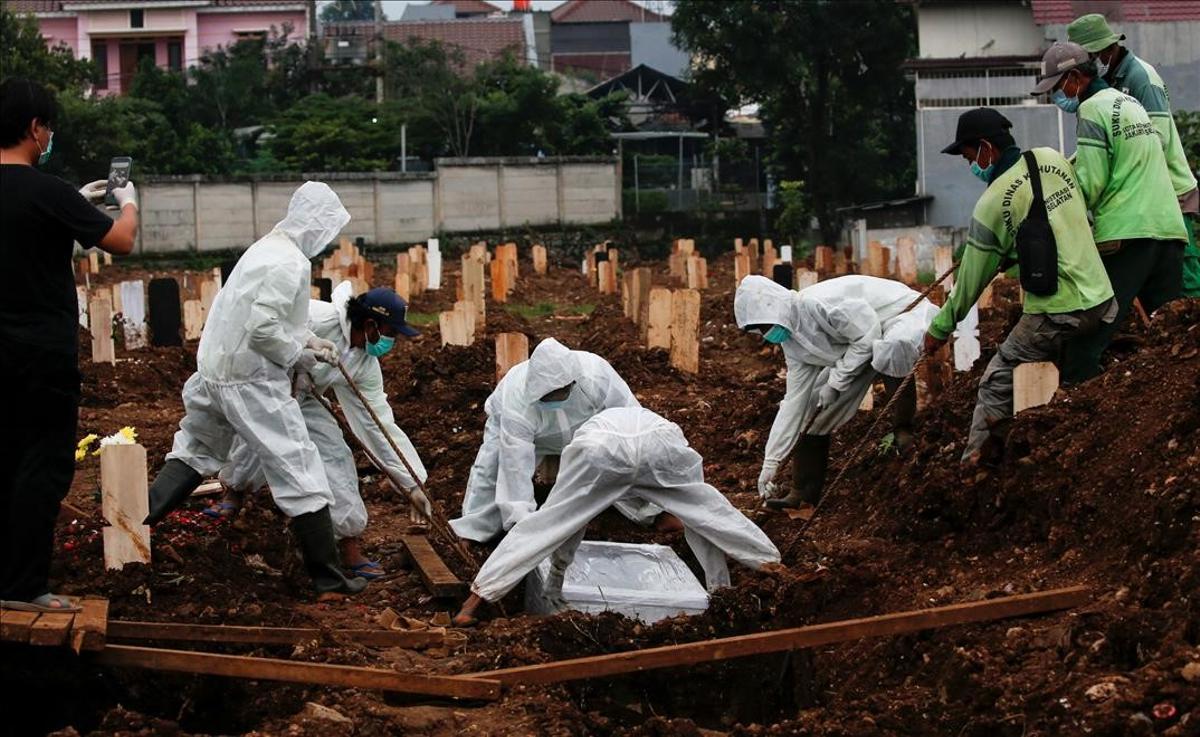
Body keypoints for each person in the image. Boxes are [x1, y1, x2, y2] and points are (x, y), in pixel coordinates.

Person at [143, 181, 367, 596]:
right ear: (317, 225)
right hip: (250, 379)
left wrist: (307, 341)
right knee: (300, 469)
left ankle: (134, 522)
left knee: (197, 447)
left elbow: (266, 315)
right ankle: (329, 579)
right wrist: (298, 354)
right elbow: (264, 331)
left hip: (215, 369)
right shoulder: (291, 263)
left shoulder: (266, 248)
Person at [0, 78, 139, 612]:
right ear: (36, 129)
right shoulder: (47, 191)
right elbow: (120, 242)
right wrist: (125, 204)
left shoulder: (51, 199)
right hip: (40, 356)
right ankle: (23, 587)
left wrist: (70, 208)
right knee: (42, 464)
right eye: (48, 128)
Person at [452, 407, 781, 626]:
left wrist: (556, 578)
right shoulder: (640, 415)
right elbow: (702, 520)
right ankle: (763, 572)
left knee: (550, 524)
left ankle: (475, 603)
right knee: (708, 514)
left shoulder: (586, 432)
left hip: (600, 452)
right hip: (660, 447)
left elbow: (570, 527)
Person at [928, 107, 1116, 464]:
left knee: (996, 380)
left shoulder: (990, 204)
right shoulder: (1052, 158)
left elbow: (970, 280)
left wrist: (940, 328)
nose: (971, 166)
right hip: (1102, 299)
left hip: (1059, 311)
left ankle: (974, 467)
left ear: (986, 149)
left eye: (970, 156)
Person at [210, 282, 432, 579]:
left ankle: (350, 548)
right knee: (257, 442)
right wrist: (293, 361)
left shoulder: (365, 365)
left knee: (336, 458)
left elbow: (377, 423)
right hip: (269, 389)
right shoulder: (315, 317)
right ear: (370, 324)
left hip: (309, 398)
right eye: (390, 333)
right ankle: (233, 493)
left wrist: (412, 483)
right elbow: (262, 334)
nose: (392, 342)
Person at [1030, 42, 1188, 383]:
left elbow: (1091, 182)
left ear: (1075, 78)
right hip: (1168, 228)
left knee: (1091, 328)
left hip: (1127, 233)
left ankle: (1073, 400)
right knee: (1171, 334)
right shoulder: (1127, 102)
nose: (1057, 97)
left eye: (1057, 88)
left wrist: (1056, 216)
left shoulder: (1091, 111)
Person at [734, 274, 937, 510]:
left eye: (764, 326)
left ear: (773, 308)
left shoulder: (819, 304)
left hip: (899, 316)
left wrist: (836, 382)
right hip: (861, 345)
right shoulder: (792, 344)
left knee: (892, 347)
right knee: (810, 404)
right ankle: (803, 491)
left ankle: (903, 428)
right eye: (759, 330)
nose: (766, 333)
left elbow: (866, 335)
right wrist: (771, 462)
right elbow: (793, 402)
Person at [450, 337, 674, 543]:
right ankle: (474, 529)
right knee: (492, 466)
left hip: (587, 428)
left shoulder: (597, 375)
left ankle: (652, 512)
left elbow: (630, 424)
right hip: (531, 435)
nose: (552, 399)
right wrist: (523, 528)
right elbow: (514, 468)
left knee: (622, 456)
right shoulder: (517, 402)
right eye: (547, 396)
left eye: (558, 393)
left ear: (572, 382)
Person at [1068, 13, 1200, 298]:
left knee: (1185, 285)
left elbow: (1157, 137)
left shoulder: (1141, 77)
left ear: (1103, 50)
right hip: (1143, 197)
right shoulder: (1109, 83)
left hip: (1170, 191)